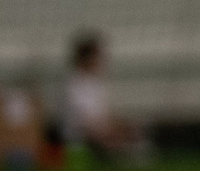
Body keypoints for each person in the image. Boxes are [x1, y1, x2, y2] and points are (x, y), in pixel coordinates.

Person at [62, 32, 149, 164]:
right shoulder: (74, 85)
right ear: (87, 58)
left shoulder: (97, 83)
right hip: (82, 135)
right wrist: (110, 132)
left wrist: (122, 126)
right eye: (97, 56)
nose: (100, 60)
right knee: (117, 140)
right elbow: (84, 123)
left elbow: (105, 115)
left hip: (100, 129)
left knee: (135, 129)